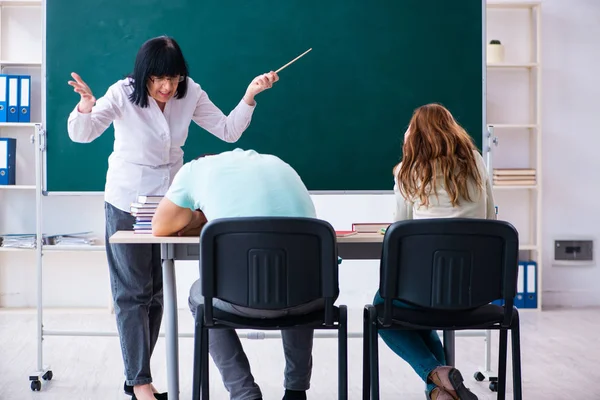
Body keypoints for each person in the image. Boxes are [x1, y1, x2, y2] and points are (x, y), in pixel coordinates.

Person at [66, 36, 278, 400]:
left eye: (174, 78)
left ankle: (136, 377)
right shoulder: (122, 92)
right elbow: (82, 135)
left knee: (156, 294)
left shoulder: (190, 91)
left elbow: (228, 131)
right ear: (144, 75)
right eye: (158, 79)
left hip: (169, 202)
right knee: (132, 294)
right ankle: (140, 382)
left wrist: (249, 96)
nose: (167, 87)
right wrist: (86, 107)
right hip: (127, 200)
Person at [152, 149, 322, 400]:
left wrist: (199, 216)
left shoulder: (193, 171)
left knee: (199, 298)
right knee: (295, 277)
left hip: (238, 301)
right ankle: (296, 390)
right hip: (308, 298)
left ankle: (244, 393)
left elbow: (159, 226)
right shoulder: (280, 163)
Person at [377, 103, 496, 400]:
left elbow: (399, 230)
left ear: (413, 136)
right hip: (475, 293)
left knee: (384, 308)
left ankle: (436, 376)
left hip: (425, 293)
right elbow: (491, 221)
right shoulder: (477, 162)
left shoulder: (409, 170)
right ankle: (441, 390)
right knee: (416, 313)